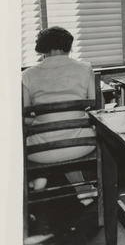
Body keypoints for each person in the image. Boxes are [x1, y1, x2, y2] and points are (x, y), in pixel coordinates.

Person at [22, 26, 99, 204]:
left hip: (40, 152)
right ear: (68, 46)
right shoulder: (85, 68)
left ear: (42, 49)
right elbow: (96, 110)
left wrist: (41, 121)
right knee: (73, 131)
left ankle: (40, 175)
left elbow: (23, 118)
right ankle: (83, 188)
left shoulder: (27, 75)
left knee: (34, 132)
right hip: (81, 145)